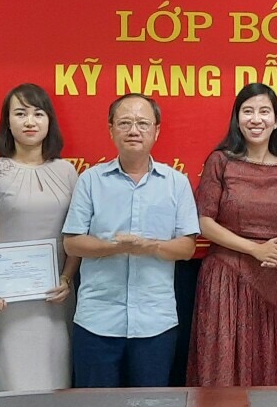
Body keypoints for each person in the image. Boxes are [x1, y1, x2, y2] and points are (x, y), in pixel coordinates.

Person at [63, 93, 199, 387]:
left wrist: (149, 246)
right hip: (97, 320)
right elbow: (72, 243)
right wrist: (116, 247)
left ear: (156, 131)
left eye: (142, 123)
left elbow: (187, 248)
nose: (133, 130)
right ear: (111, 130)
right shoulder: (90, 180)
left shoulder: (176, 183)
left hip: (155, 322)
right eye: (124, 123)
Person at [188, 83, 277, 387]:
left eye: (264, 111)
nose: (256, 119)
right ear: (237, 119)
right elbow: (204, 222)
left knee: (269, 362)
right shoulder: (221, 161)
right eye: (248, 111)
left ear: (276, 121)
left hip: (272, 276)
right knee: (223, 363)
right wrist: (254, 249)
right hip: (225, 276)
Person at [0, 83, 79, 392]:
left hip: (55, 296)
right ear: (8, 122)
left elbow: (75, 235)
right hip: (7, 301)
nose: (30, 122)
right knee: (13, 380)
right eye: (20, 114)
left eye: (38, 113)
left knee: (55, 379)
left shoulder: (67, 172)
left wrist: (66, 278)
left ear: (49, 121)